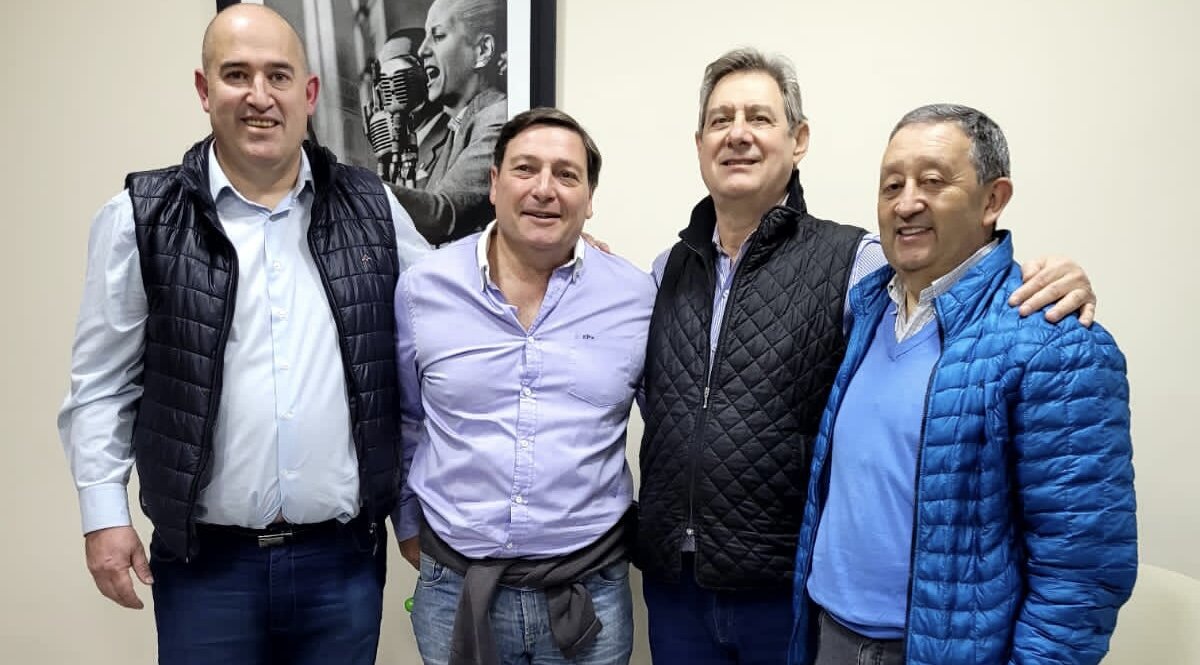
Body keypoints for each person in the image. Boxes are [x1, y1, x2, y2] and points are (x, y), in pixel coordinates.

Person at [634, 48, 1100, 664]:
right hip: (683, 589)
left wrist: (1054, 277)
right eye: (721, 120)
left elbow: (955, 276)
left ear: (798, 140)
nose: (738, 134)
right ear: (699, 144)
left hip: (784, 593)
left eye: (759, 117)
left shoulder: (858, 265)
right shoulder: (664, 272)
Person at [56, 5, 429, 663]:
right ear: (205, 91)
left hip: (341, 565)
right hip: (206, 571)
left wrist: (554, 253)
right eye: (237, 75)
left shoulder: (373, 207)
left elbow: (454, 307)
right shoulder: (139, 218)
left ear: (308, 93)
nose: (260, 96)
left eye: (278, 76)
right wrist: (104, 515)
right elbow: (101, 387)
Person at [789, 103, 1136, 665]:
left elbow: (1082, 571)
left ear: (993, 199)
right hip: (829, 633)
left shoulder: (1055, 342)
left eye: (932, 182)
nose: (906, 203)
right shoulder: (866, 311)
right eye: (892, 185)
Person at [392, 107, 652, 665]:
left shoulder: (635, 297)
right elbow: (405, 419)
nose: (544, 189)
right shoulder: (423, 289)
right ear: (493, 183)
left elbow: (671, 424)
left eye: (566, 174)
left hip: (590, 591)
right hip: (454, 589)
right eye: (525, 168)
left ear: (589, 197)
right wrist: (408, 523)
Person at [391, 0, 508, 246]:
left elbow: (442, 215)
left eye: (438, 36)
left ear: (483, 50)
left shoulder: (497, 120)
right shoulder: (458, 127)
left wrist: (358, 185)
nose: (422, 50)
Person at [369, 29, 450, 188]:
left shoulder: (454, 138)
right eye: (384, 79)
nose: (391, 88)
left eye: (399, 76)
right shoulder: (391, 154)